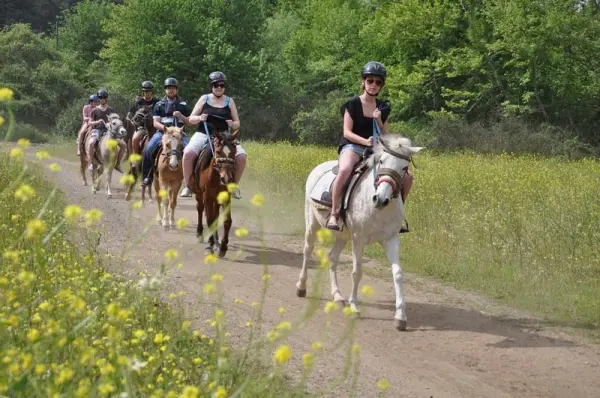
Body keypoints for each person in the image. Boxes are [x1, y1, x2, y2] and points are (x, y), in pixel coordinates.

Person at [326, 61, 413, 232]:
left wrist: (379, 120)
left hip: (375, 149)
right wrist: (364, 141)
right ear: (363, 81)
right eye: (370, 80)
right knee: (344, 170)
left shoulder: (383, 107)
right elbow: (346, 132)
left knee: (408, 177)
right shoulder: (352, 104)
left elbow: (385, 134)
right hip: (352, 146)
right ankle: (334, 213)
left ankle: (397, 214)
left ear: (381, 85)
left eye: (378, 82)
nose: (374, 85)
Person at [176, 71, 247, 199]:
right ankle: (188, 185)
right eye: (216, 85)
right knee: (188, 153)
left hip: (225, 135)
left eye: (222, 85)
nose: (219, 87)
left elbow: (237, 123)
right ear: (211, 86)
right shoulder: (204, 99)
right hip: (204, 133)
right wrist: (200, 117)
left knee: (241, 156)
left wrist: (232, 123)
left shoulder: (230, 101)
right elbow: (190, 119)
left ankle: (233, 186)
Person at [141, 77, 191, 188]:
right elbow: (155, 123)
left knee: (190, 151)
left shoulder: (183, 104)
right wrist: (165, 129)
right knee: (149, 149)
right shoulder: (159, 104)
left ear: (177, 90)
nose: (171, 90)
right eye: (168, 88)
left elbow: (189, 122)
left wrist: (181, 116)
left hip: (179, 134)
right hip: (163, 133)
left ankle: (191, 180)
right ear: (165, 90)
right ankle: (147, 176)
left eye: (173, 88)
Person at [87, 88, 126, 173]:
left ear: (106, 98)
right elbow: (89, 123)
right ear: (99, 99)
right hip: (97, 130)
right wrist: (98, 121)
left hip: (109, 131)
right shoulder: (95, 110)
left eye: (104, 97)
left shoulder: (111, 110)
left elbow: (115, 121)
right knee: (91, 143)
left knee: (123, 145)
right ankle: (91, 162)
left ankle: (118, 164)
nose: (103, 99)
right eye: (101, 98)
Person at [128, 81, 159, 163]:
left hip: (155, 127)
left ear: (152, 91)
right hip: (142, 127)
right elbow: (130, 115)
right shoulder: (138, 103)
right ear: (143, 92)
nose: (147, 93)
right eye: (145, 91)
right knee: (135, 138)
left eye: (149, 91)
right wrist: (134, 121)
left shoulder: (157, 102)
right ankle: (136, 160)